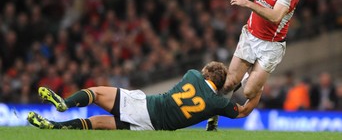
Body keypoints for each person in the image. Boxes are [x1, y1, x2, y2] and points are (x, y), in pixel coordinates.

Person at [207, 0, 302, 130]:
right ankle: (213, 121)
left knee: (249, 90)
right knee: (228, 84)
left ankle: (254, 81)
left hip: (272, 45)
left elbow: (275, 17)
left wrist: (248, 3)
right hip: (250, 35)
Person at [27, 61, 260, 130]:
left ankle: (63, 104)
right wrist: (256, 89)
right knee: (96, 123)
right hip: (151, 127)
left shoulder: (192, 75)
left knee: (97, 93)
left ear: (206, 73)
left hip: (147, 107)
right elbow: (243, 111)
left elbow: (209, 89)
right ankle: (53, 127)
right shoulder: (217, 103)